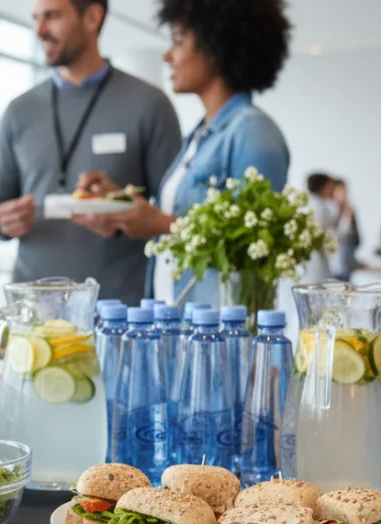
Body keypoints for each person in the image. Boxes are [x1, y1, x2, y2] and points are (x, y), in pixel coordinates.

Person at [73, 0, 291, 306]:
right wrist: (120, 203)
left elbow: (255, 244)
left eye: (178, 41)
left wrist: (159, 223)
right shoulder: (199, 136)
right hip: (177, 316)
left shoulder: (253, 132)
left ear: (215, 49)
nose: (168, 55)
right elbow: (182, 218)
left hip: (219, 325)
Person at [0, 0, 182, 305]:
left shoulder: (149, 105)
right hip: (33, 309)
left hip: (119, 310)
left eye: (52, 16)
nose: (39, 30)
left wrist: (121, 208)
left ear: (92, 17)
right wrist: (1, 221)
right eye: (36, 18)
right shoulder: (18, 111)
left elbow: (174, 217)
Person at [330, 179, 361, 281]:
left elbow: (356, 238)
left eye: (345, 191)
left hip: (348, 259)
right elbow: (337, 236)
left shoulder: (348, 209)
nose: (344, 194)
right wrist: (347, 217)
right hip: (335, 262)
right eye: (341, 191)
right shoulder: (331, 209)